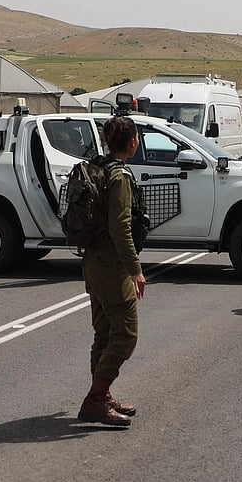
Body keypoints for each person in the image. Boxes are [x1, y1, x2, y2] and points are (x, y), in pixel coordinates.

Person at [77, 116, 147, 427]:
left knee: (104, 332)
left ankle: (101, 395)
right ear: (131, 141)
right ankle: (96, 398)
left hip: (93, 261)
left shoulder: (98, 167)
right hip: (111, 265)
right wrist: (135, 269)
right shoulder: (118, 177)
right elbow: (121, 228)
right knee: (126, 334)